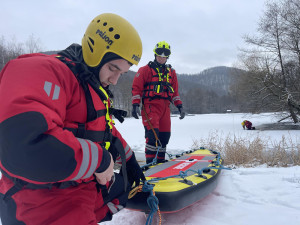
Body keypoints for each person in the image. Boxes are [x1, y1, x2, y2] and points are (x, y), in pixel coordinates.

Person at [0, 13, 145, 225]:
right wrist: (100, 159)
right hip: (40, 208)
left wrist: (128, 158)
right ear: (96, 53)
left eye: (121, 73)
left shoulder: (90, 86)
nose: (115, 80)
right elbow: (23, 147)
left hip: (79, 197)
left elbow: (102, 130)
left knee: (122, 186)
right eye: (113, 68)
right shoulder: (43, 71)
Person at [131, 41, 185, 164]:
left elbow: (175, 93)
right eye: (159, 54)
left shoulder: (171, 72)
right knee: (152, 136)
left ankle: (160, 162)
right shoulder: (145, 70)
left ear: (167, 57)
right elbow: (136, 88)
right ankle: (151, 164)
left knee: (165, 136)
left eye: (164, 55)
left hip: (165, 108)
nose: (161, 57)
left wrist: (180, 106)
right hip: (151, 106)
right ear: (155, 54)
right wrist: (135, 105)